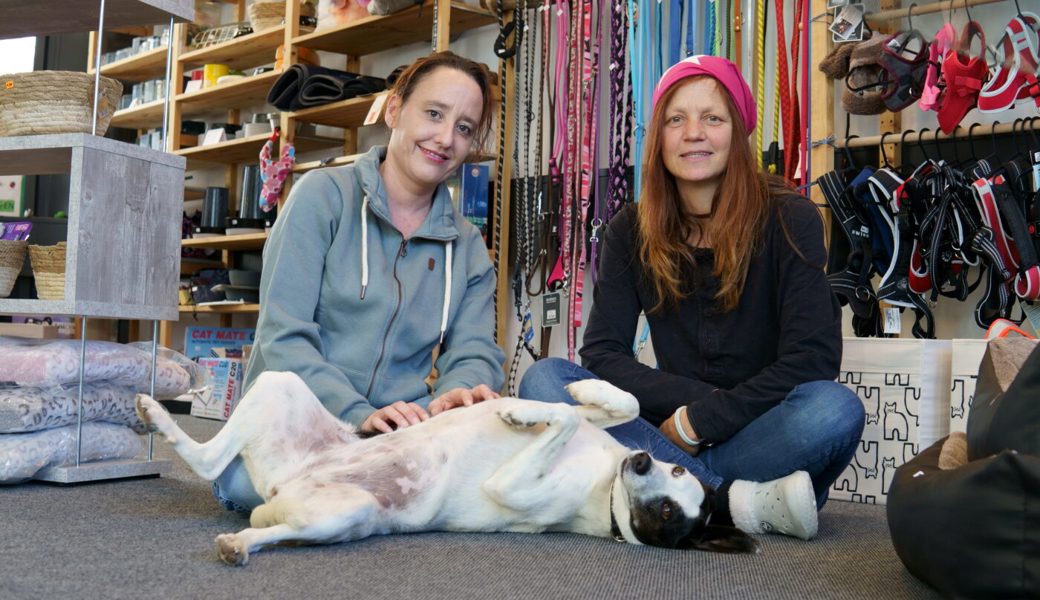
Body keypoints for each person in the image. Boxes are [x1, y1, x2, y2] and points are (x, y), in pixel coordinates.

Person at [519, 55, 865, 540]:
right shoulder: (631, 229)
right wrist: (689, 416)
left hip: (758, 428)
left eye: (712, 118)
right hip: (663, 427)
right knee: (544, 379)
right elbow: (602, 354)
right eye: (676, 119)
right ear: (658, 138)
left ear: (737, 132)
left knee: (833, 410)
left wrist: (704, 422)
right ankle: (735, 502)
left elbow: (812, 360)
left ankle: (671, 496)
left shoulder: (792, 217)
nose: (693, 133)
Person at [215, 51, 506, 512]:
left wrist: (460, 389)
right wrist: (358, 414)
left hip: (395, 433)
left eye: (465, 128)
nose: (446, 138)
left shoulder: (467, 245)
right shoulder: (322, 197)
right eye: (434, 114)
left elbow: (475, 351)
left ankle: (364, 492)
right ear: (395, 110)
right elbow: (283, 338)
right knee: (244, 485)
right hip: (299, 422)